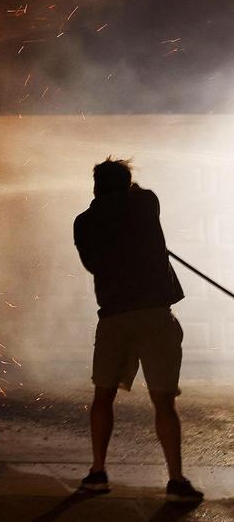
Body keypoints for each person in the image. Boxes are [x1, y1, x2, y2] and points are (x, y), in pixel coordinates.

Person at [73, 158, 202, 502]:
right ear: (127, 183)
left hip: (114, 316)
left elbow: (92, 265)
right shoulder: (145, 204)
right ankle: (176, 480)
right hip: (155, 315)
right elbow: (140, 194)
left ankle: (97, 472)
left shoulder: (84, 223)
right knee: (164, 402)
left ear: (96, 186)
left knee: (103, 396)